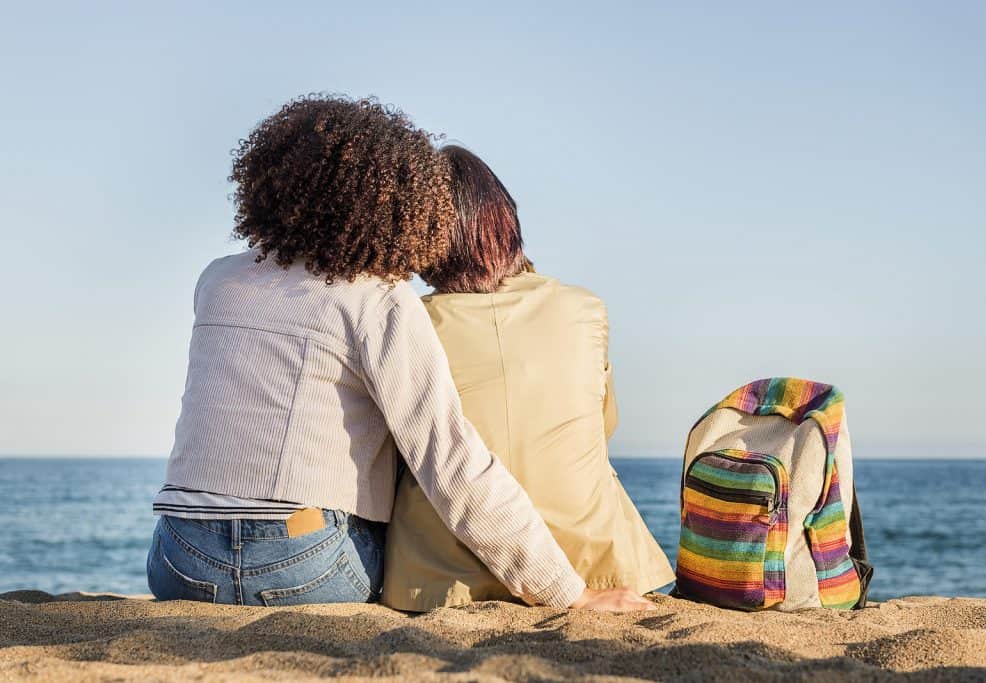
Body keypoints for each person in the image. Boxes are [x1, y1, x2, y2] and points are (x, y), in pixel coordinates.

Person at [146, 95, 652, 612]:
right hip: (302, 564)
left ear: (273, 184)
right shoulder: (377, 300)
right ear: (393, 206)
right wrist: (569, 593)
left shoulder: (216, 279)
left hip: (180, 559)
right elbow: (452, 463)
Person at [381, 145, 675, 611]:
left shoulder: (409, 322)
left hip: (441, 575)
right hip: (590, 561)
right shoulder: (585, 309)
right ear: (506, 221)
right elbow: (602, 426)